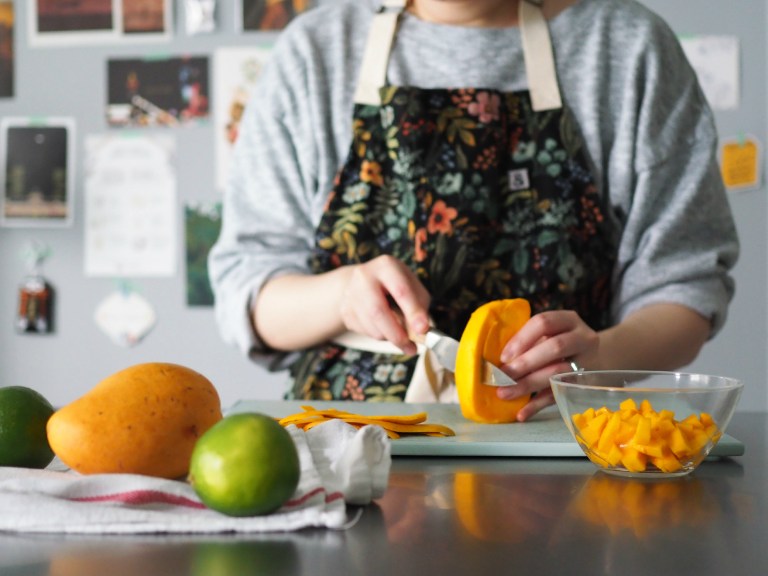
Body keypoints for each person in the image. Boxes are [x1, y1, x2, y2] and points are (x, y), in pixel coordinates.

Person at [208, 0, 739, 420]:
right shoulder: (317, 53)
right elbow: (250, 291)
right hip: (348, 453)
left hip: (565, 443)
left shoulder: (625, 48)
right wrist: (343, 295)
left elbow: (684, 288)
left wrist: (596, 357)